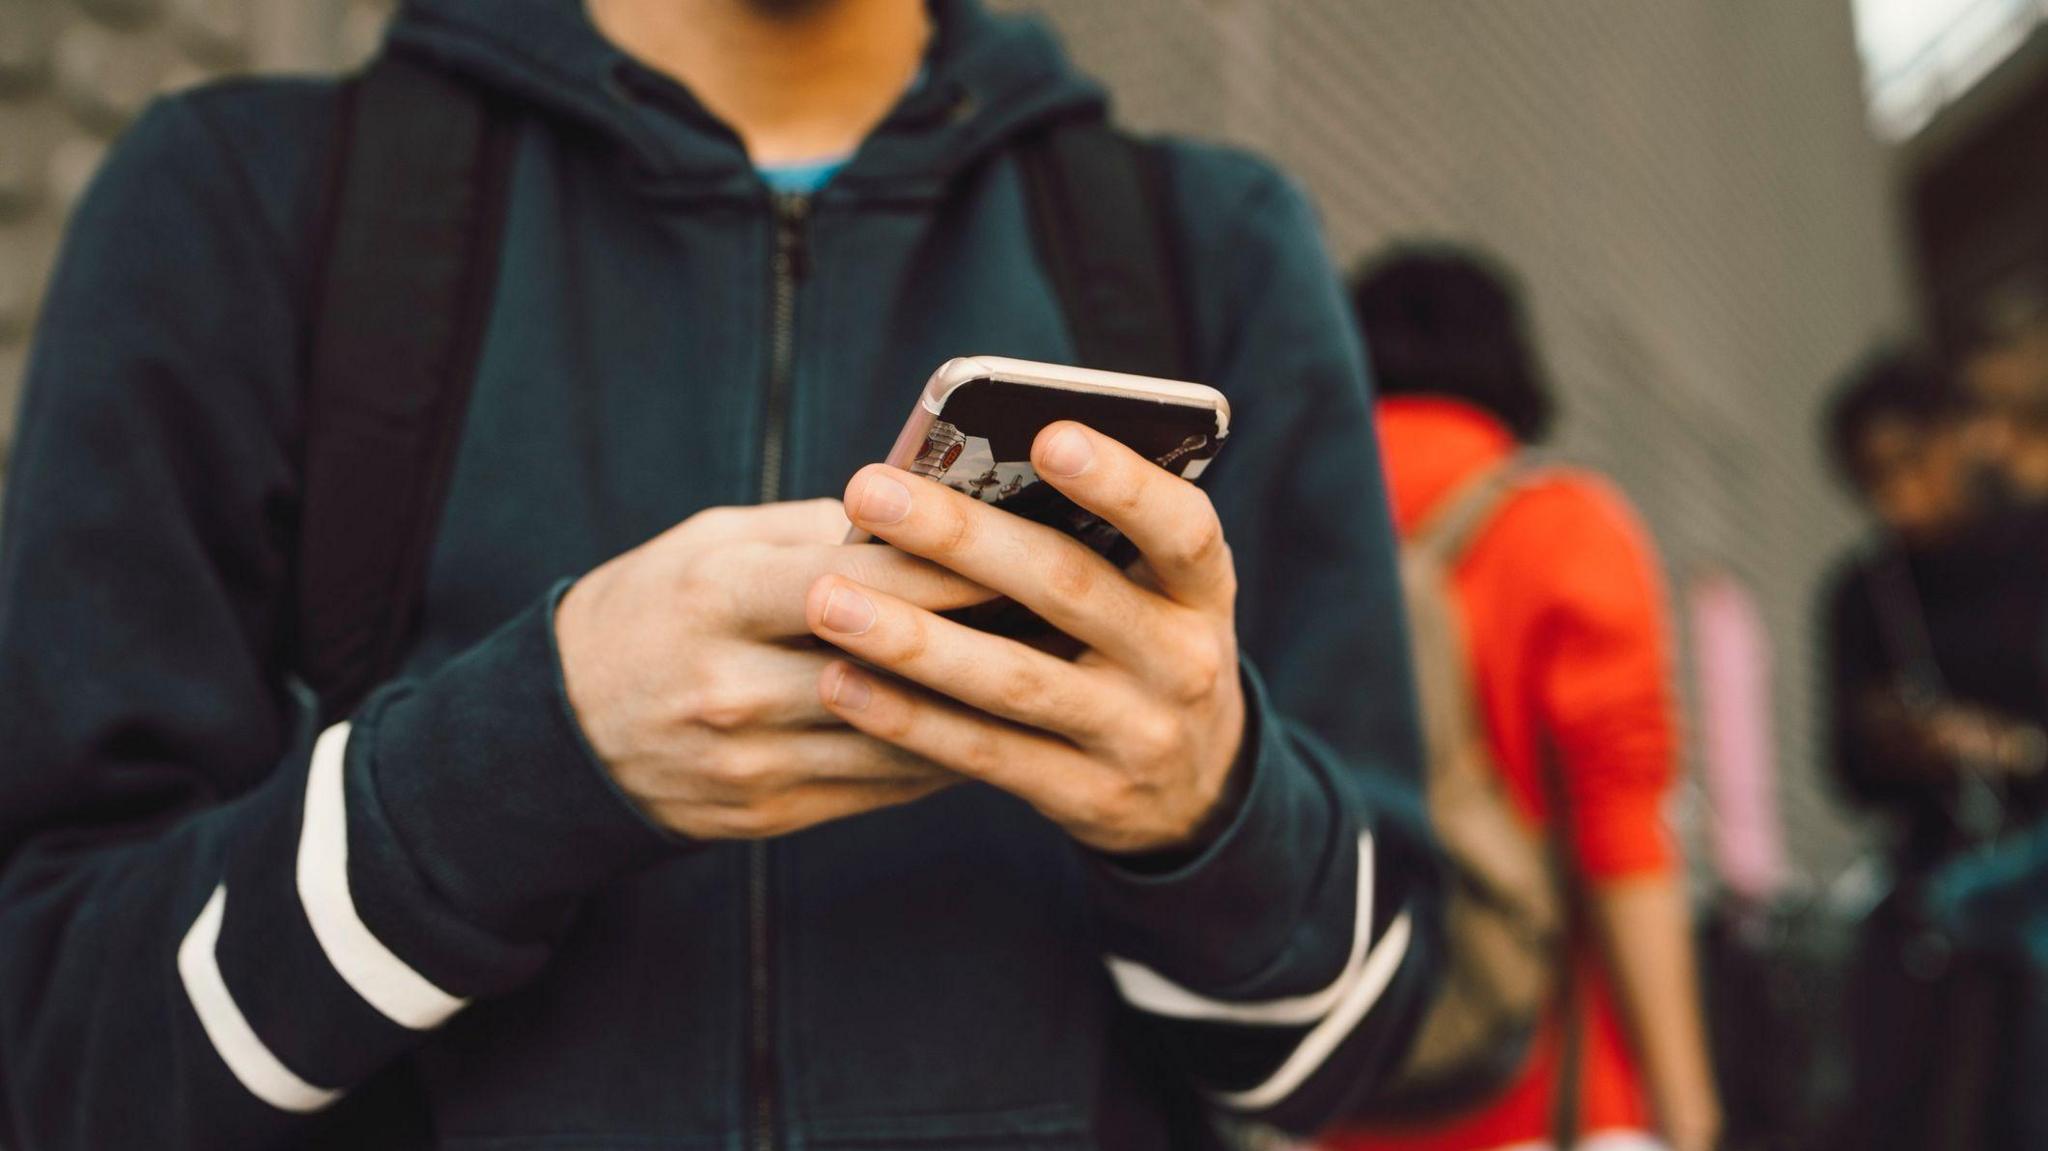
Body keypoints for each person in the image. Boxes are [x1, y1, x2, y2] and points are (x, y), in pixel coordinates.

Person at [0, 1, 1443, 1148]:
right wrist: (523, 755)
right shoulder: (240, 199)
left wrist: (1207, 809)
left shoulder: (1210, 244)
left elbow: (1349, 1048)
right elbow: (61, 1052)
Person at [1329, 247, 1720, 1151]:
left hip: (1329, 1097)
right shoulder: (1563, 524)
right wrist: (1687, 1104)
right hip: (1547, 1093)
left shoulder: (1273, 532)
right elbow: (1620, 828)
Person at [1820, 348, 2048, 1151]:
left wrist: (2006, 745)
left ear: (1957, 438)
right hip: (1939, 890)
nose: (1897, 497)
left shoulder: (2034, 548)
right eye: (1870, 478)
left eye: (1908, 464)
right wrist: (1901, 744)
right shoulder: (1867, 592)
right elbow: (1843, 768)